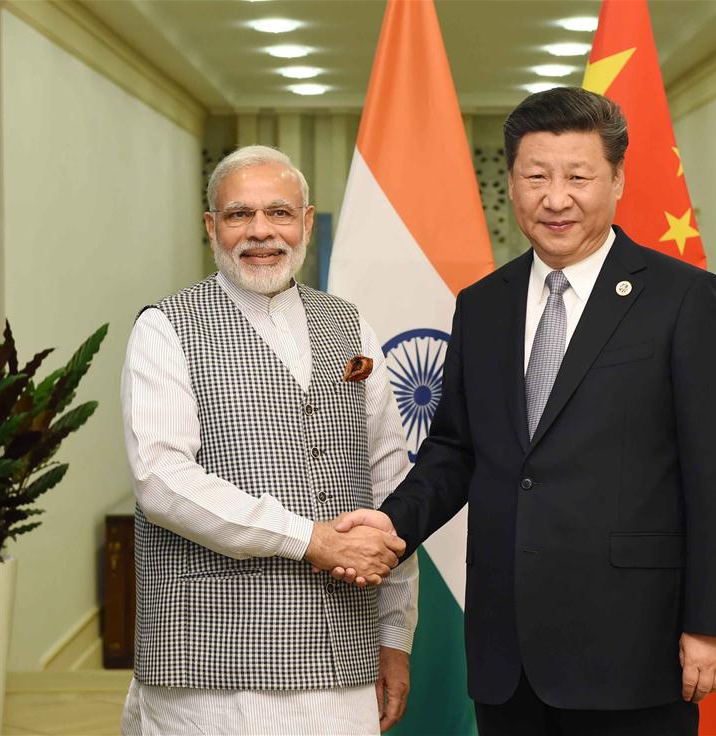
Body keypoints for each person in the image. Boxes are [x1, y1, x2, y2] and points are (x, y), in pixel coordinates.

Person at [334, 87, 716, 735]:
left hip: (634, 644)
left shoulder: (682, 300)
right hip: (508, 649)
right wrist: (392, 528)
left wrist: (711, 624)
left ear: (616, 180)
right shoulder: (483, 305)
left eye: (578, 176)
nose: (555, 198)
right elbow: (455, 449)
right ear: (511, 183)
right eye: (536, 176)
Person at [120, 145, 418, 735]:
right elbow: (160, 479)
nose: (261, 232)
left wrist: (396, 635)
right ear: (212, 228)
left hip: (341, 652)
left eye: (279, 213)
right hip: (209, 663)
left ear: (306, 222)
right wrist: (310, 540)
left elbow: (390, 486)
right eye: (239, 215)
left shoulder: (350, 325)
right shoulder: (165, 327)